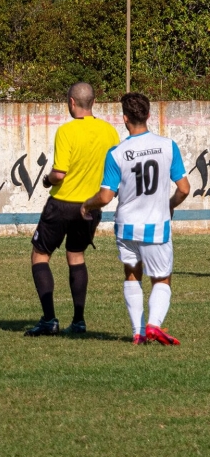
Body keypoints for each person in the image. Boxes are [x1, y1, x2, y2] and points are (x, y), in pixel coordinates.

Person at [81, 92, 190, 345]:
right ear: (149, 115)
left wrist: (87, 204)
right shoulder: (167, 146)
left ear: (125, 118)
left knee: (132, 274)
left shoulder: (116, 153)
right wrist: (170, 205)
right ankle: (153, 325)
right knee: (162, 278)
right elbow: (184, 189)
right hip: (155, 226)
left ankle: (138, 332)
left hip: (126, 227)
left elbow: (105, 197)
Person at [25, 82, 120, 336]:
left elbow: (59, 174)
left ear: (71, 102)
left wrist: (46, 180)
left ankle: (49, 320)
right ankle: (78, 321)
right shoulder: (110, 132)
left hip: (62, 203)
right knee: (76, 256)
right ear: (94, 102)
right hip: (90, 206)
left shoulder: (66, 131)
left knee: (40, 255)